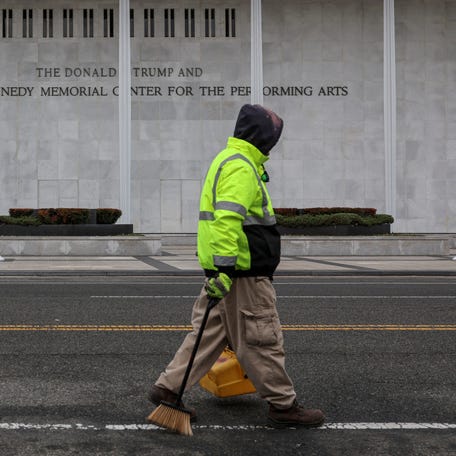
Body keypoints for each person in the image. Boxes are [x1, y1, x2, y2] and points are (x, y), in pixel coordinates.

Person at [148, 104, 325, 428]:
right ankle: (283, 406)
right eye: (272, 136)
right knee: (261, 338)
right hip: (242, 275)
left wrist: (220, 270)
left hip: (228, 272)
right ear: (262, 136)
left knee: (207, 335)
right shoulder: (242, 167)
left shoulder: (228, 160)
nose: (274, 142)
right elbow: (227, 220)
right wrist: (226, 270)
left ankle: (169, 388)